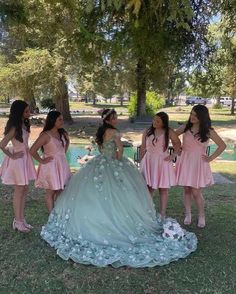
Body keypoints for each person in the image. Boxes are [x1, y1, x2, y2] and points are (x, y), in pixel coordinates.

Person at [41, 109, 197, 267]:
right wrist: (118, 160)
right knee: (121, 192)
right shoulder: (115, 132)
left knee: (95, 192)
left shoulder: (101, 131)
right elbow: (120, 150)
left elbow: (101, 149)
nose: (116, 120)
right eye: (115, 117)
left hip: (99, 161)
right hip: (114, 162)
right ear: (109, 119)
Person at [175, 105, 226, 228]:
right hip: (185, 161)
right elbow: (172, 135)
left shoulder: (208, 130)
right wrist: (178, 147)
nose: (192, 117)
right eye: (191, 114)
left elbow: (222, 145)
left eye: (195, 116)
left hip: (198, 163)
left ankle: (201, 215)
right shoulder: (185, 127)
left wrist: (210, 158)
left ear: (201, 117)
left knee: (196, 191)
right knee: (186, 189)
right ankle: (188, 214)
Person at [0, 100, 36, 232]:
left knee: (25, 189)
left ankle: (21, 219)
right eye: (26, 111)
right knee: (19, 190)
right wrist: (13, 156)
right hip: (18, 161)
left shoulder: (23, 124)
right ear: (19, 112)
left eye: (28, 110)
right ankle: (17, 221)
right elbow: (2, 144)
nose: (29, 113)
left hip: (25, 159)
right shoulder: (15, 127)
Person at [140, 112, 181, 218]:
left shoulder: (168, 131)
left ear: (164, 123)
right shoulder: (147, 131)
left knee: (163, 188)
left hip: (162, 162)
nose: (155, 122)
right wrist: (141, 161)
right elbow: (143, 147)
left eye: (158, 121)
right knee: (148, 187)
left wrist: (173, 155)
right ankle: (148, 210)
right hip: (149, 160)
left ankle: (163, 213)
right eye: (154, 119)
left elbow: (177, 143)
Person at [30, 111, 71, 213]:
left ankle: (58, 213)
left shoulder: (63, 133)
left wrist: (62, 155)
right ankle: (52, 217)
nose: (62, 121)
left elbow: (67, 143)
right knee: (51, 192)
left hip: (62, 165)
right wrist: (41, 160)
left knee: (61, 190)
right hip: (51, 167)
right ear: (53, 120)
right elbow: (32, 150)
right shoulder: (45, 135)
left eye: (62, 119)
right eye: (60, 119)